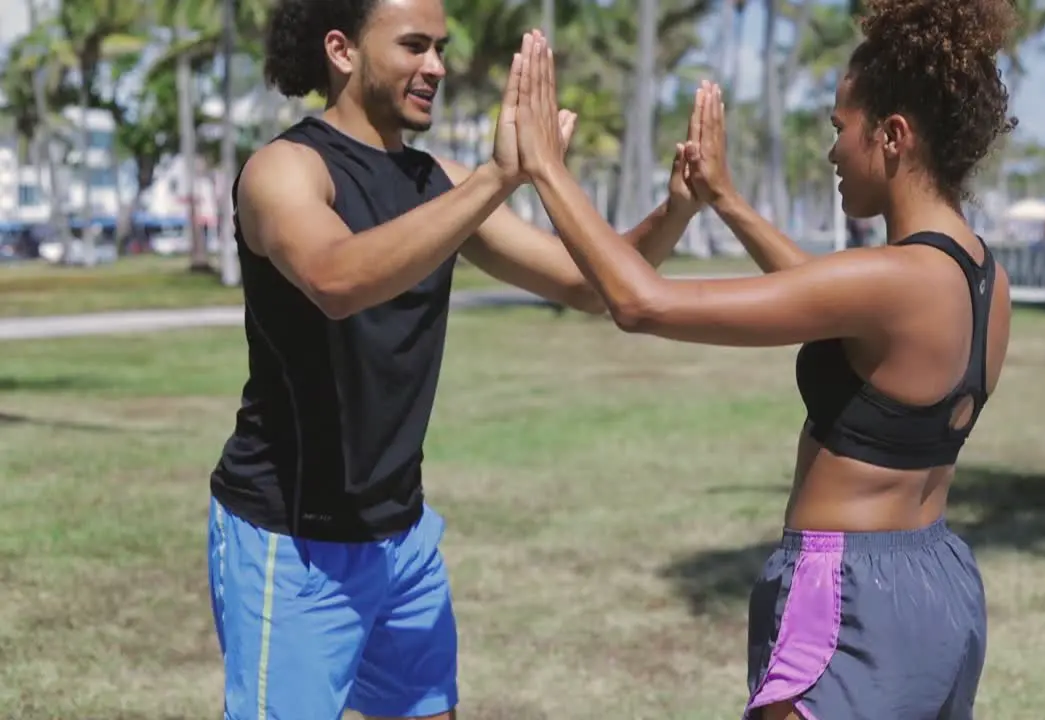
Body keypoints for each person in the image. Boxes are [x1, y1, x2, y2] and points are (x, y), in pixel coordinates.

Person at [510, 0, 1015, 716]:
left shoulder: (892, 280)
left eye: (841, 129)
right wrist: (725, 201)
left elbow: (641, 302)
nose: (832, 151)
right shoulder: (983, 277)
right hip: (938, 590)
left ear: (893, 136)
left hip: (847, 598)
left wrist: (545, 171)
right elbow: (831, 302)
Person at [206, 1, 704, 717]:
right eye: (414, 45)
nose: (437, 66)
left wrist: (677, 208)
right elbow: (337, 280)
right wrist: (498, 178)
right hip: (292, 543)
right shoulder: (283, 170)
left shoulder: (435, 181)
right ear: (342, 50)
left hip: (401, 536)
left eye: (440, 47)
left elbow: (590, 285)